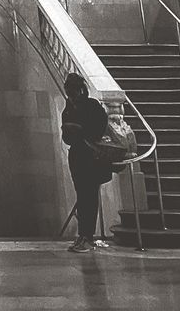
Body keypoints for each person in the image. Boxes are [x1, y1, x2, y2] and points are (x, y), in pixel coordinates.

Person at [60, 72, 113, 254]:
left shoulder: (92, 106)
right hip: (77, 155)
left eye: (73, 92)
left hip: (91, 156)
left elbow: (99, 127)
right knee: (82, 196)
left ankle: (88, 237)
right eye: (69, 92)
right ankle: (83, 235)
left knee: (89, 197)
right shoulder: (68, 109)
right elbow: (66, 137)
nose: (71, 96)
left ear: (80, 90)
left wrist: (80, 130)